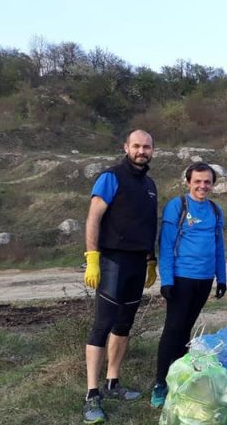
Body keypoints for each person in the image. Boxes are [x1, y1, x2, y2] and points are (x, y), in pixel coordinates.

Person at [81, 129, 158, 424]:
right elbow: (94, 218)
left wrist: (151, 260)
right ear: (126, 147)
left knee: (124, 325)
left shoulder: (150, 185)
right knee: (102, 325)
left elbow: (147, 225)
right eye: (136, 146)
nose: (142, 151)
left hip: (138, 263)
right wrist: (92, 258)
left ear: (152, 150)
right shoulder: (110, 177)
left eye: (147, 146)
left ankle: (113, 383)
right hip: (112, 260)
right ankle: (92, 394)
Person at [150, 162, 227, 408]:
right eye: (198, 181)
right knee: (172, 329)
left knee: (186, 330)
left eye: (207, 182)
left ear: (212, 184)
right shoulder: (178, 206)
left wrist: (221, 277)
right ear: (188, 182)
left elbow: (218, 246)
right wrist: (167, 280)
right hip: (182, 278)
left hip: (204, 280)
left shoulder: (215, 210)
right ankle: (160, 384)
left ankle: (180, 377)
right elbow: (166, 245)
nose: (202, 186)